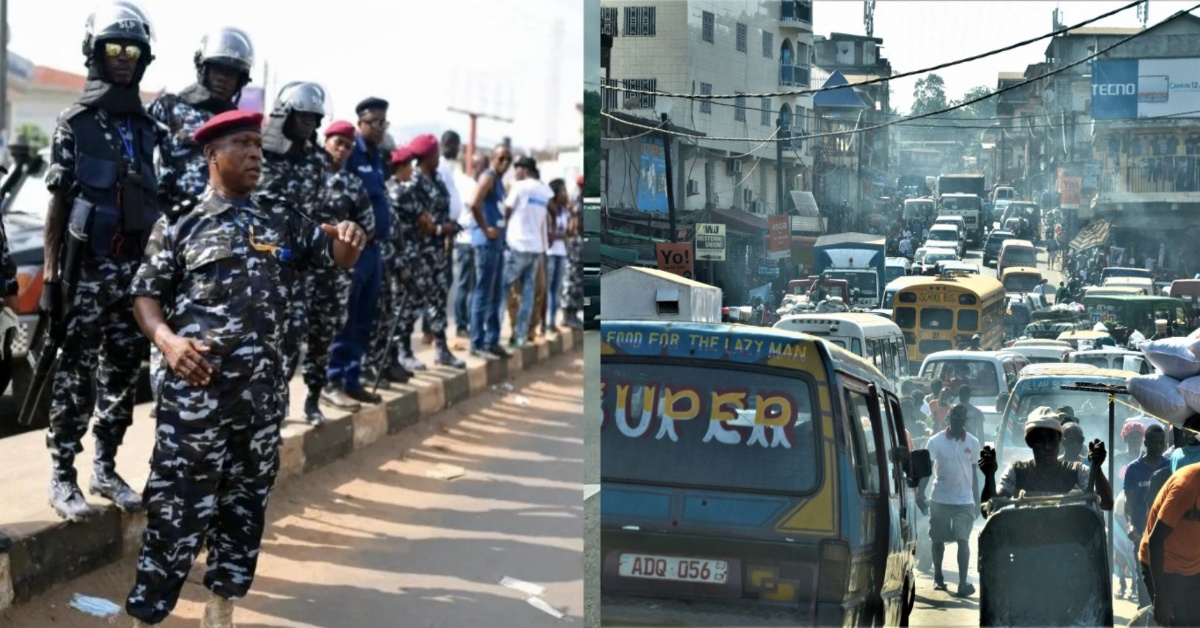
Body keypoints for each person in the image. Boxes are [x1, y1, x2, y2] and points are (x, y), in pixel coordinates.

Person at [123, 109, 366, 628]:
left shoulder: (280, 216)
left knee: (245, 505)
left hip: (259, 398)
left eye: (259, 144)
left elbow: (335, 256)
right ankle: (147, 614)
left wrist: (348, 240)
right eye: (244, 144)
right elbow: (144, 294)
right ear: (213, 155)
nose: (256, 153)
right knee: (177, 505)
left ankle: (221, 605)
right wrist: (167, 342)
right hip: (197, 396)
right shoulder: (182, 222)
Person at [41, 1, 161, 520]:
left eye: (132, 50)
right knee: (75, 375)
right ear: (95, 53)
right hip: (85, 272)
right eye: (113, 48)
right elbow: (58, 203)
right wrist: (50, 278)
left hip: (133, 274)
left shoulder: (146, 128)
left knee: (122, 375)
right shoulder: (75, 123)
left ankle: (105, 468)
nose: (123, 58)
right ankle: (62, 476)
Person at [253, 81, 328, 423]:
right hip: (258, 264)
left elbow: (320, 209)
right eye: (303, 116)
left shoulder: (318, 161)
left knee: (292, 339)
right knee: (256, 338)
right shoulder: (260, 152)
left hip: (299, 268)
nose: (309, 123)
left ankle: (276, 410)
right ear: (286, 114)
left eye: (315, 118)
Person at [306, 121, 379, 418]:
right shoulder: (307, 173)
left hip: (333, 272)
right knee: (286, 336)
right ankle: (276, 405)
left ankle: (312, 398)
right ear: (326, 141)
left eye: (348, 146)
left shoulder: (352, 185)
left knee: (323, 336)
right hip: (297, 271)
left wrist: (348, 236)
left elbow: (369, 226)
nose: (343, 150)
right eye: (338, 143)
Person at [325, 98, 391, 405]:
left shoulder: (377, 156)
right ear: (361, 122)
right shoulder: (351, 151)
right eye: (374, 122)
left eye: (383, 123)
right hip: (353, 249)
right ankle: (332, 380)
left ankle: (352, 378)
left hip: (374, 249)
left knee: (365, 316)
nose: (379, 128)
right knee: (345, 316)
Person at [392, 134, 466, 368]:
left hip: (437, 252)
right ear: (427, 156)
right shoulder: (412, 183)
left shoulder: (437, 179)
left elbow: (439, 217)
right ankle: (403, 351)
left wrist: (446, 227)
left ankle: (442, 349)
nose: (438, 158)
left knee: (437, 300)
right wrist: (437, 228)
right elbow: (420, 222)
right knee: (411, 302)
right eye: (435, 154)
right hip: (417, 253)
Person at [979, 407, 1113, 514]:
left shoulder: (1076, 471)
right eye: (1039, 440)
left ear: (1059, 441)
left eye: (1052, 440)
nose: (1047, 446)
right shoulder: (1017, 471)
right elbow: (989, 509)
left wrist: (1097, 468)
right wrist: (989, 475)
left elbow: (1106, 504)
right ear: (1029, 442)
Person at [920, 404, 981, 598]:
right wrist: (920, 491)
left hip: (964, 502)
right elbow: (927, 469)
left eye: (961, 418)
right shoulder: (935, 441)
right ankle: (938, 577)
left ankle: (963, 583)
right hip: (940, 499)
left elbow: (974, 473)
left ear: (965, 421)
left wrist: (977, 500)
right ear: (948, 418)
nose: (957, 420)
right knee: (937, 540)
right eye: (954, 417)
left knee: (963, 541)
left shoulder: (973, 442)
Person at [1140, 462, 1200, 627]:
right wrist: (1160, 597)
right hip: (1165, 566)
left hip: (1194, 567)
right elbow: (1156, 539)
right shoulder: (1187, 485)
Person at [468, 145, 513, 358]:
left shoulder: (500, 182)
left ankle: (491, 340)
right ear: (494, 158)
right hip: (486, 243)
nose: (505, 163)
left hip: (497, 244)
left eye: (508, 159)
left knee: (495, 294)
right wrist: (486, 229)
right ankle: (477, 343)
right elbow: (474, 203)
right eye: (501, 158)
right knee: (483, 293)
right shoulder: (488, 177)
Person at [501, 156, 550, 347]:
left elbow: (506, 210)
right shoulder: (543, 190)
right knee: (528, 293)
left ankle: (494, 335)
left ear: (525, 169)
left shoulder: (519, 187)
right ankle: (520, 336)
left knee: (503, 289)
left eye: (517, 168)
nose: (515, 172)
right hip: (535, 248)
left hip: (518, 245)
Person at [1124, 423, 1169, 606]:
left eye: (1161, 442)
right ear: (1146, 442)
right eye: (1154, 442)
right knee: (1143, 584)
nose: (1158, 446)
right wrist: (1129, 524)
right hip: (1142, 534)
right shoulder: (1134, 469)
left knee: (1165, 583)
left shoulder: (1169, 466)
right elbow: (1129, 502)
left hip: (1165, 535)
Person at [545, 179, 570, 332]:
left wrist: (560, 235)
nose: (566, 194)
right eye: (563, 191)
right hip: (550, 253)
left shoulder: (564, 211)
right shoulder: (548, 210)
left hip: (561, 253)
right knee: (547, 289)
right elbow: (549, 235)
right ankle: (544, 323)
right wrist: (561, 236)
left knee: (556, 290)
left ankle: (552, 322)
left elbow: (567, 232)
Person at [560, 175, 585, 329]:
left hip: (581, 246)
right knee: (571, 280)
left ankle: (574, 313)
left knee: (578, 281)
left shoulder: (581, 203)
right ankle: (567, 314)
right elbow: (573, 228)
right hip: (575, 245)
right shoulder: (575, 205)